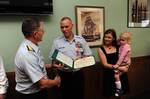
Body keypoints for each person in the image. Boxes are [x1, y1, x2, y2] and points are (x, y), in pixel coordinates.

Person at [14, 17, 61, 99]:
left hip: (38, 92)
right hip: (31, 96)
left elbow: (36, 66)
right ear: (35, 34)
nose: (44, 32)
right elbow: (43, 83)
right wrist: (56, 81)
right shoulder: (27, 54)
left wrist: (51, 66)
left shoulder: (31, 46)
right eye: (42, 30)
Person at [49, 17, 92, 99]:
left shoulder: (81, 40)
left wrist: (81, 59)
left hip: (78, 75)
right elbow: (53, 62)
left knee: (79, 96)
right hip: (64, 75)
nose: (64, 29)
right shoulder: (56, 42)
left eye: (66, 26)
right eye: (62, 27)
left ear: (72, 26)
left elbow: (88, 56)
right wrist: (57, 74)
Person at [97, 29, 129, 98]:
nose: (106, 39)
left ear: (113, 38)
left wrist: (127, 66)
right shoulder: (101, 49)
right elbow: (105, 64)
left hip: (120, 74)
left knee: (119, 95)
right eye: (105, 37)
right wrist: (120, 67)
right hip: (109, 75)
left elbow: (127, 56)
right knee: (110, 95)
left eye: (109, 37)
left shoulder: (118, 46)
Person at [113, 32, 131, 97]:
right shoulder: (122, 45)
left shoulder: (126, 46)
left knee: (116, 75)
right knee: (116, 76)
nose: (121, 41)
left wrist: (117, 65)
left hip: (124, 63)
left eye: (123, 40)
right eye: (120, 39)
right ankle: (119, 89)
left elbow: (122, 56)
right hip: (123, 64)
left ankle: (119, 89)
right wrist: (120, 39)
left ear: (128, 41)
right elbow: (118, 43)